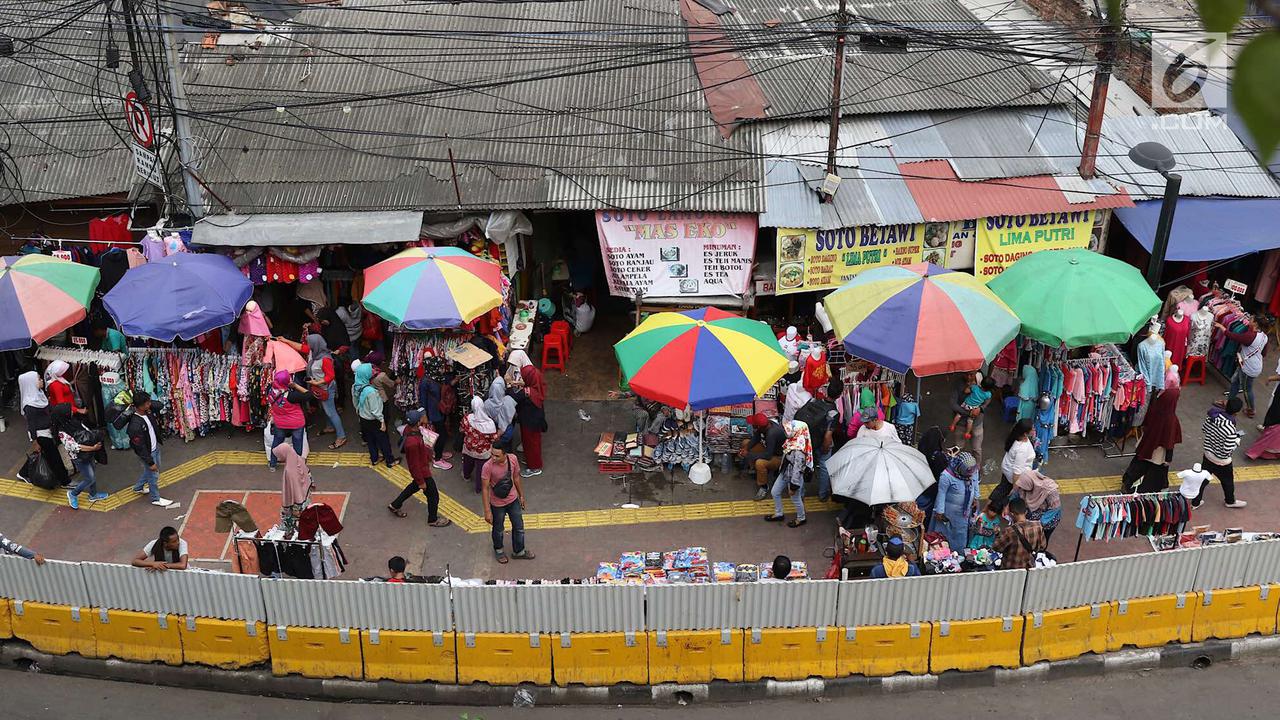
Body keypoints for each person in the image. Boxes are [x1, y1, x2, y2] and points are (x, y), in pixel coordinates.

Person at [387, 410, 451, 526]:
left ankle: (395, 504)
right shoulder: (412, 443)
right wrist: (421, 481)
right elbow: (414, 465)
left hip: (421, 469)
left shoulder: (409, 430)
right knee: (433, 496)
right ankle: (433, 519)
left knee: (413, 487)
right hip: (422, 472)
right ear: (417, 423)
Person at [1124, 383, 1182, 493]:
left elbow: (1146, 424)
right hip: (1159, 451)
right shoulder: (1171, 419)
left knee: (1138, 465)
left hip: (1146, 443)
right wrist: (1168, 458)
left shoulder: (1155, 409)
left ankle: (1128, 483)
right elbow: (1169, 441)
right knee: (1157, 471)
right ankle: (1147, 488)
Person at [482, 445, 533, 563]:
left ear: (505, 454)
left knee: (519, 526)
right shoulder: (487, 466)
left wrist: (521, 496)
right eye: (492, 454)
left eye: (497, 456)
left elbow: (516, 478)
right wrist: (487, 511)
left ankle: (519, 551)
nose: (493, 458)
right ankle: (499, 550)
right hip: (497, 504)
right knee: (498, 528)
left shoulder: (513, 459)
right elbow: (485, 489)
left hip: (513, 499)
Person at [19, 370, 69, 489]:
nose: (41, 380)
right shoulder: (29, 405)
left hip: (49, 430)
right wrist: (35, 442)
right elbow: (31, 425)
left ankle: (23, 472)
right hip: (42, 435)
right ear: (31, 383)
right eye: (38, 379)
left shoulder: (40, 394)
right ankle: (65, 481)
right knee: (54, 457)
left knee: (44, 454)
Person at [53, 405, 106, 509]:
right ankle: (73, 494)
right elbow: (74, 447)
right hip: (79, 457)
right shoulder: (62, 432)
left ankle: (93, 494)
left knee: (92, 474)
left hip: (89, 453)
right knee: (89, 478)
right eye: (69, 411)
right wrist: (93, 448)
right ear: (65, 415)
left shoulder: (74, 422)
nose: (72, 412)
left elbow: (87, 431)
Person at [126, 392, 174, 507]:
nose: (150, 404)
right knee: (154, 474)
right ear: (141, 405)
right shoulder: (135, 425)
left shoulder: (147, 411)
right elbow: (139, 447)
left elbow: (160, 405)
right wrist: (150, 462)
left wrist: (149, 404)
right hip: (148, 453)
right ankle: (155, 498)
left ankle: (138, 488)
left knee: (150, 471)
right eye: (147, 403)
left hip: (154, 447)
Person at [794, 378, 839, 501]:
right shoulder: (833, 412)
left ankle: (800, 494)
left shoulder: (813, 400)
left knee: (802, 466)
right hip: (820, 443)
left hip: (806, 440)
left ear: (826, 391)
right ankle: (823, 494)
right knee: (824, 466)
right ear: (839, 395)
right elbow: (828, 435)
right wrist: (825, 448)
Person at [764, 419, 812, 528]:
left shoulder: (799, 450)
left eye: (789, 429)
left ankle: (801, 518)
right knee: (775, 492)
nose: (786, 432)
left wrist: (794, 486)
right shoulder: (792, 441)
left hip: (794, 477)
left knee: (795, 498)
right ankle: (779, 513)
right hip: (785, 472)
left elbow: (798, 470)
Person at [1202, 397, 1247, 508]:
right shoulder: (1230, 429)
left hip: (1208, 454)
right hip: (1221, 461)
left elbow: (1204, 429)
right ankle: (1230, 501)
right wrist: (1236, 441)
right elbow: (1227, 451)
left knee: (1203, 478)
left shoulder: (1212, 416)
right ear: (1236, 412)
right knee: (1227, 482)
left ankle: (1196, 501)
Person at [1218, 316, 1267, 418]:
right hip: (1251, 365)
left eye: (1251, 320)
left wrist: (1222, 327)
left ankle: (1251, 410)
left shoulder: (1250, 336)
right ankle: (1229, 402)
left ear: (1255, 324)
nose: (1249, 320)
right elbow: (1264, 353)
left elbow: (1234, 336)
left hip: (1249, 368)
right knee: (1235, 382)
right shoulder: (1264, 336)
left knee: (1247, 389)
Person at [930, 452, 980, 551]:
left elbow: (975, 482)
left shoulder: (972, 470)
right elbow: (942, 493)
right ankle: (944, 552)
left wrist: (976, 497)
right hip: (948, 512)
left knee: (961, 532)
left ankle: (959, 553)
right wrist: (940, 511)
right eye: (968, 472)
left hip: (964, 512)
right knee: (945, 533)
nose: (971, 475)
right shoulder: (946, 476)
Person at [305, 334, 346, 449]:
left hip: (325, 388)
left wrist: (316, 383)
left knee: (331, 412)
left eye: (309, 343)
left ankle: (341, 436)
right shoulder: (315, 353)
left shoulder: (325, 359)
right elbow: (302, 348)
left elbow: (330, 376)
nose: (308, 345)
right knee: (326, 409)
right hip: (320, 388)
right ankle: (329, 426)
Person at [354, 363, 397, 468]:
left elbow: (355, 403)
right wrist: (382, 421)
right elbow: (375, 410)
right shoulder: (371, 392)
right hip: (374, 420)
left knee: (370, 440)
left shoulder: (355, 386)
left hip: (363, 419)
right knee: (383, 440)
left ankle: (374, 459)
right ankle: (390, 461)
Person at [418, 356, 456, 470]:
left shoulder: (437, 377)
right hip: (433, 413)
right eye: (440, 367)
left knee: (440, 433)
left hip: (441, 410)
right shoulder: (425, 382)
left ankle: (437, 452)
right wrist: (423, 415)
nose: (442, 369)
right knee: (441, 434)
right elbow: (422, 400)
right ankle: (437, 459)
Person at [266, 369, 309, 470]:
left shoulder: (270, 390)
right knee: (297, 444)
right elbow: (308, 395)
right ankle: (296, 465)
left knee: (276, 443)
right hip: (296, 423)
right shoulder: (291, 396)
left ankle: (273, 464)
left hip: (280, 423)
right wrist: (296, 386)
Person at [511, 365, 547, 478]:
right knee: (531, 443)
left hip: (529, 422)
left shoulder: (527, 392)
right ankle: (530, 460)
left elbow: (514, 396)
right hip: (534, 420)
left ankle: (534, 467)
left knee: (532, 444)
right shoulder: (538, 387)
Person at [739, 413, 784, 501]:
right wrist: (746, 449)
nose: (752, 426)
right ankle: (755, 470)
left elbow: (767, 455)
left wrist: (748, 455)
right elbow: (756, 438)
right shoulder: (765, 425)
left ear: (758, 426)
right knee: (745, 443)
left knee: (759, 463)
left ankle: (764, 486)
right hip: (768, 450)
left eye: (753, 425)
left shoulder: (772, 433)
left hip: (778, 458)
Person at [993, 497, 1046, 570]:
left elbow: (996, 547)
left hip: (1010, 568)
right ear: (1026, 512)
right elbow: (1042, 546)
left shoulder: (1009, 531)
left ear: (1012, 514)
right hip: (1028, 567)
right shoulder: (1038, 526)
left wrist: (997, 534)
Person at [950, 373, 993, 463]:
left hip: (977, 424)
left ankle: (977, 469)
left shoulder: (979, 380)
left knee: (977, 449)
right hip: (961, 424)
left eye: (972, 374)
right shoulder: (958, 383)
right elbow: (953, 404)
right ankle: (955, 468)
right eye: (967, 374)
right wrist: (969, 413)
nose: (969, 377)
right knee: (958, 448)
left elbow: (988, 401)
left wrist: (980, 408)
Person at [993, 419, 1036, 505]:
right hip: (1013, 476)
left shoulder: (1016, 437)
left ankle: (989, 507)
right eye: (1032, 429)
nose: (1034, 430)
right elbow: (1017, 471)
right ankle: (995, 508)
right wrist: (1015, 488)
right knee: (1006, 493)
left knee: (1001, 489)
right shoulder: (1022, 449)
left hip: (1007, 469)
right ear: (1025, 433)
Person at [461, 397, 499, 493]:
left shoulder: (467, 418)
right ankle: (479, 488)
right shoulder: (490, 423)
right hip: (483, 452)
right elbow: (493, 438)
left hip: (469, 448)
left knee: (467, 464)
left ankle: (466, 477)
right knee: (481, 470)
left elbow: (462, 429)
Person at [1013, 467, 1062, 540]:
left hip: (1048, 519)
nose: (1022, 490)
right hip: (1032, 516)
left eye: (1024, 488)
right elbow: (1016, 493)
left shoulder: (1049, 490)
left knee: (1042, 539)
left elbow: (1055, 509)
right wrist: (1007, 506)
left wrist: (1037, 525)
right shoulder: (1024, 485)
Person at [275, 441, 313, 532]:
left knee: (290, 519)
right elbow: (307, 473)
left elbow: (294, 490)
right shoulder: (298, 459)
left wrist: (295, 508)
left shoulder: (289, 470)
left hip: (296, 502)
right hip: (306, 495)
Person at [950, 375, 994, 439]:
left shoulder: (975, 387)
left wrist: (970, 386)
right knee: (970, 421)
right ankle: (967, 433)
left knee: (958, 415)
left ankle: (953, 425)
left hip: (966, 404)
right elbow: (987, 401)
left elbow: (966, 391)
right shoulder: (988, 394)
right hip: (974, 408)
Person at [485, 376, 518, 448]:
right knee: (506, 449)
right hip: (507, 433)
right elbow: (514, 416)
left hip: (493, 431)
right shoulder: (509, 400)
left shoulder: (487, 404)